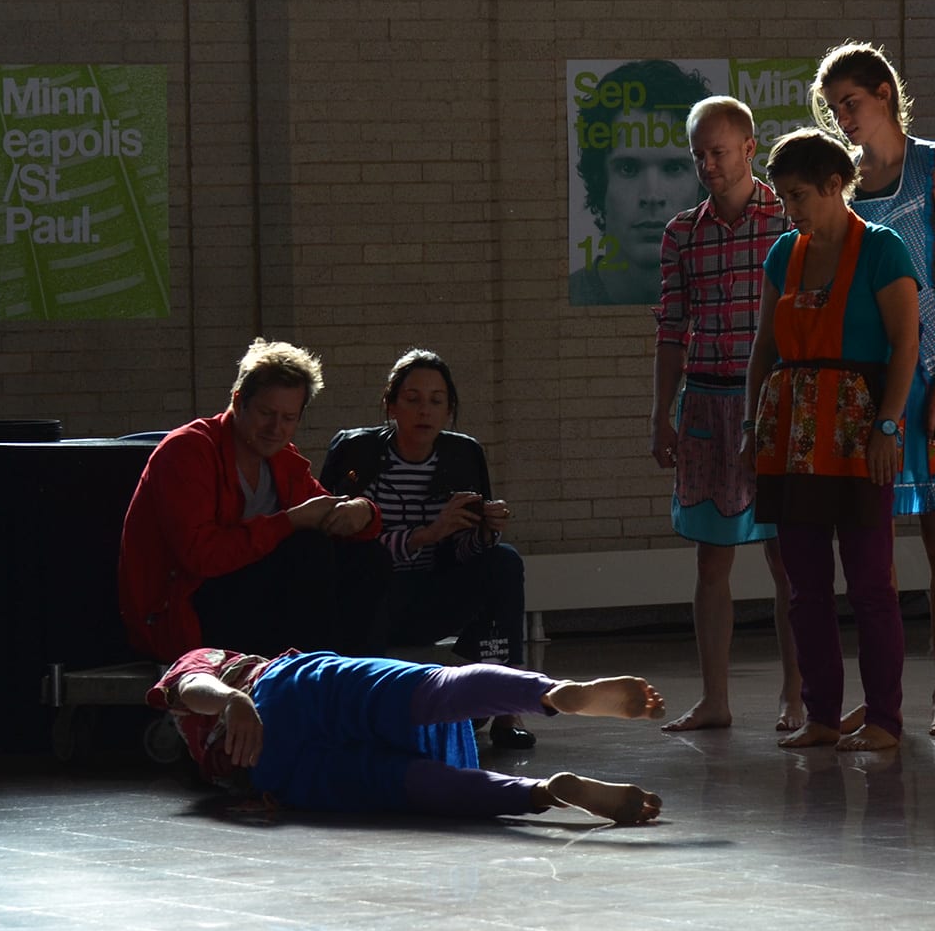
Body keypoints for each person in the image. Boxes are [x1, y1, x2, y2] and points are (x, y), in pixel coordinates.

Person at [814, 41, 935, 737]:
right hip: (874, 377)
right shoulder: (847, 181)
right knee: (871, 544)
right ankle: (882, 691)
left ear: (884, 93)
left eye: (851, 103)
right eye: (834, 110)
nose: (845, 119)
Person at [743, 127, 920, 752]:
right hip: (790, 431)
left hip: (858, 427)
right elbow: (764, 346)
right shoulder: (782, 254)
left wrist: (888, 425)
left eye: (800, 198)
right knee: (804, 583)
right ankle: (821, 714)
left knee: (871, 582)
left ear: (834, 186)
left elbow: (905, 344)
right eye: (785, 199)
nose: (791, 212)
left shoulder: (883, 249)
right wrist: (750, 427)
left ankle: (884, 720)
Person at [649, 95, 802, 732]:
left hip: (775, 404)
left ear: (749, 149)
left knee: (787, 559)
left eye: (719, 152)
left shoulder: (789, 222)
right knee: (710, 560)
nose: (708, 165)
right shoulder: (682, 232)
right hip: (706, 403)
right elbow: (671, 328)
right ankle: (716, 698)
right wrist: (662, 412)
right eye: (698, 155)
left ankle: (797, 695)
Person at [147, 647, 666, 824]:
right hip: (291, 689)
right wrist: (237, 697)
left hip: (276, 769)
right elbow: (191, 684)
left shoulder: (204, 748)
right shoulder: (212, 659)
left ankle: (543, 793)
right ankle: (554, 694)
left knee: (407, 785)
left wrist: (234, 705)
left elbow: (188, 687)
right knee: (434, 689)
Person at [119, 339, 386, 664]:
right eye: (266, 413)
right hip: (187, 610)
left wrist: (363, 511)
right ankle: (318, 677)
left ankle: (358, 677)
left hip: (258, 607)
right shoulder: (187, 452)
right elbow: (200, 557)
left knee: (368, 558)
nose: (276, 428)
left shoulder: (284, 461)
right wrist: (287, 522)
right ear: (237, 401)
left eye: (288, 418)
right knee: (306, 549)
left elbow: (325, 511)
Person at [324, 349, 534, 748]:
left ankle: (505, 706)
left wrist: (485, 532)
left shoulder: (463, 453)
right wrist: (425, 534)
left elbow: (462, 552)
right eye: (413, 399)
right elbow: (340, 546)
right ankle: (364, 704)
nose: (425, 411)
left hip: (431, 594)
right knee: (364, 558)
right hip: (371, 600)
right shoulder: (358, 452)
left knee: (503, 560)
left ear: (449, 409)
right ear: (391, 405)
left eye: (437, 401)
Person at [570, 60, 714, 306]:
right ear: (600, 181)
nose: (652, 195)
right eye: (628, 168)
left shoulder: (731, 298)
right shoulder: (571, 295)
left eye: (673, 168)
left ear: (702, 183)